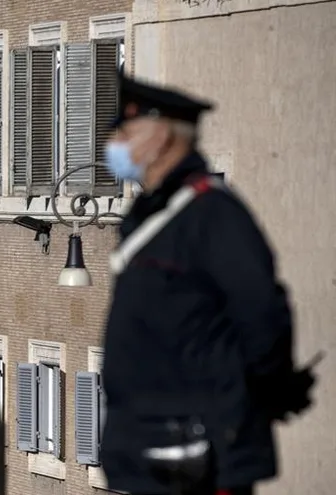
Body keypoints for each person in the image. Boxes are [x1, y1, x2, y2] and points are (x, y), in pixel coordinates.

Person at [100, 73, 318, 495]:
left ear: (161, 136)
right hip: (151, 446)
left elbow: (262, 311)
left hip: (197, 447)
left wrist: (262, 391)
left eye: (126, 132)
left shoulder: (212, 213)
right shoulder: (150, 214)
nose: (116, 144)